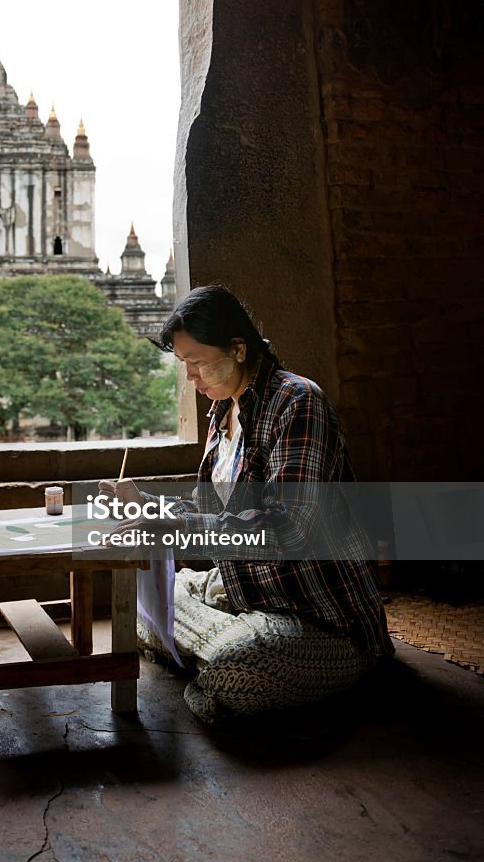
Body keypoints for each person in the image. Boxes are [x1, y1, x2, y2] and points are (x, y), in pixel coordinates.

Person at [99, 284, 394, 723]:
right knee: (143, 604)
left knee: (233, 671)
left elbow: (287, 528)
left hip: (318, 617)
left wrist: (179, 530)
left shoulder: (298, 403)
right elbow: (213, 516)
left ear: (238, 349)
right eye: (183, 365)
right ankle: (223, 645)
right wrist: (146, 506)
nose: (190, 378)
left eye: (196, 363)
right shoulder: (223, 413)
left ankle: (223, 657)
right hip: (245, 595)